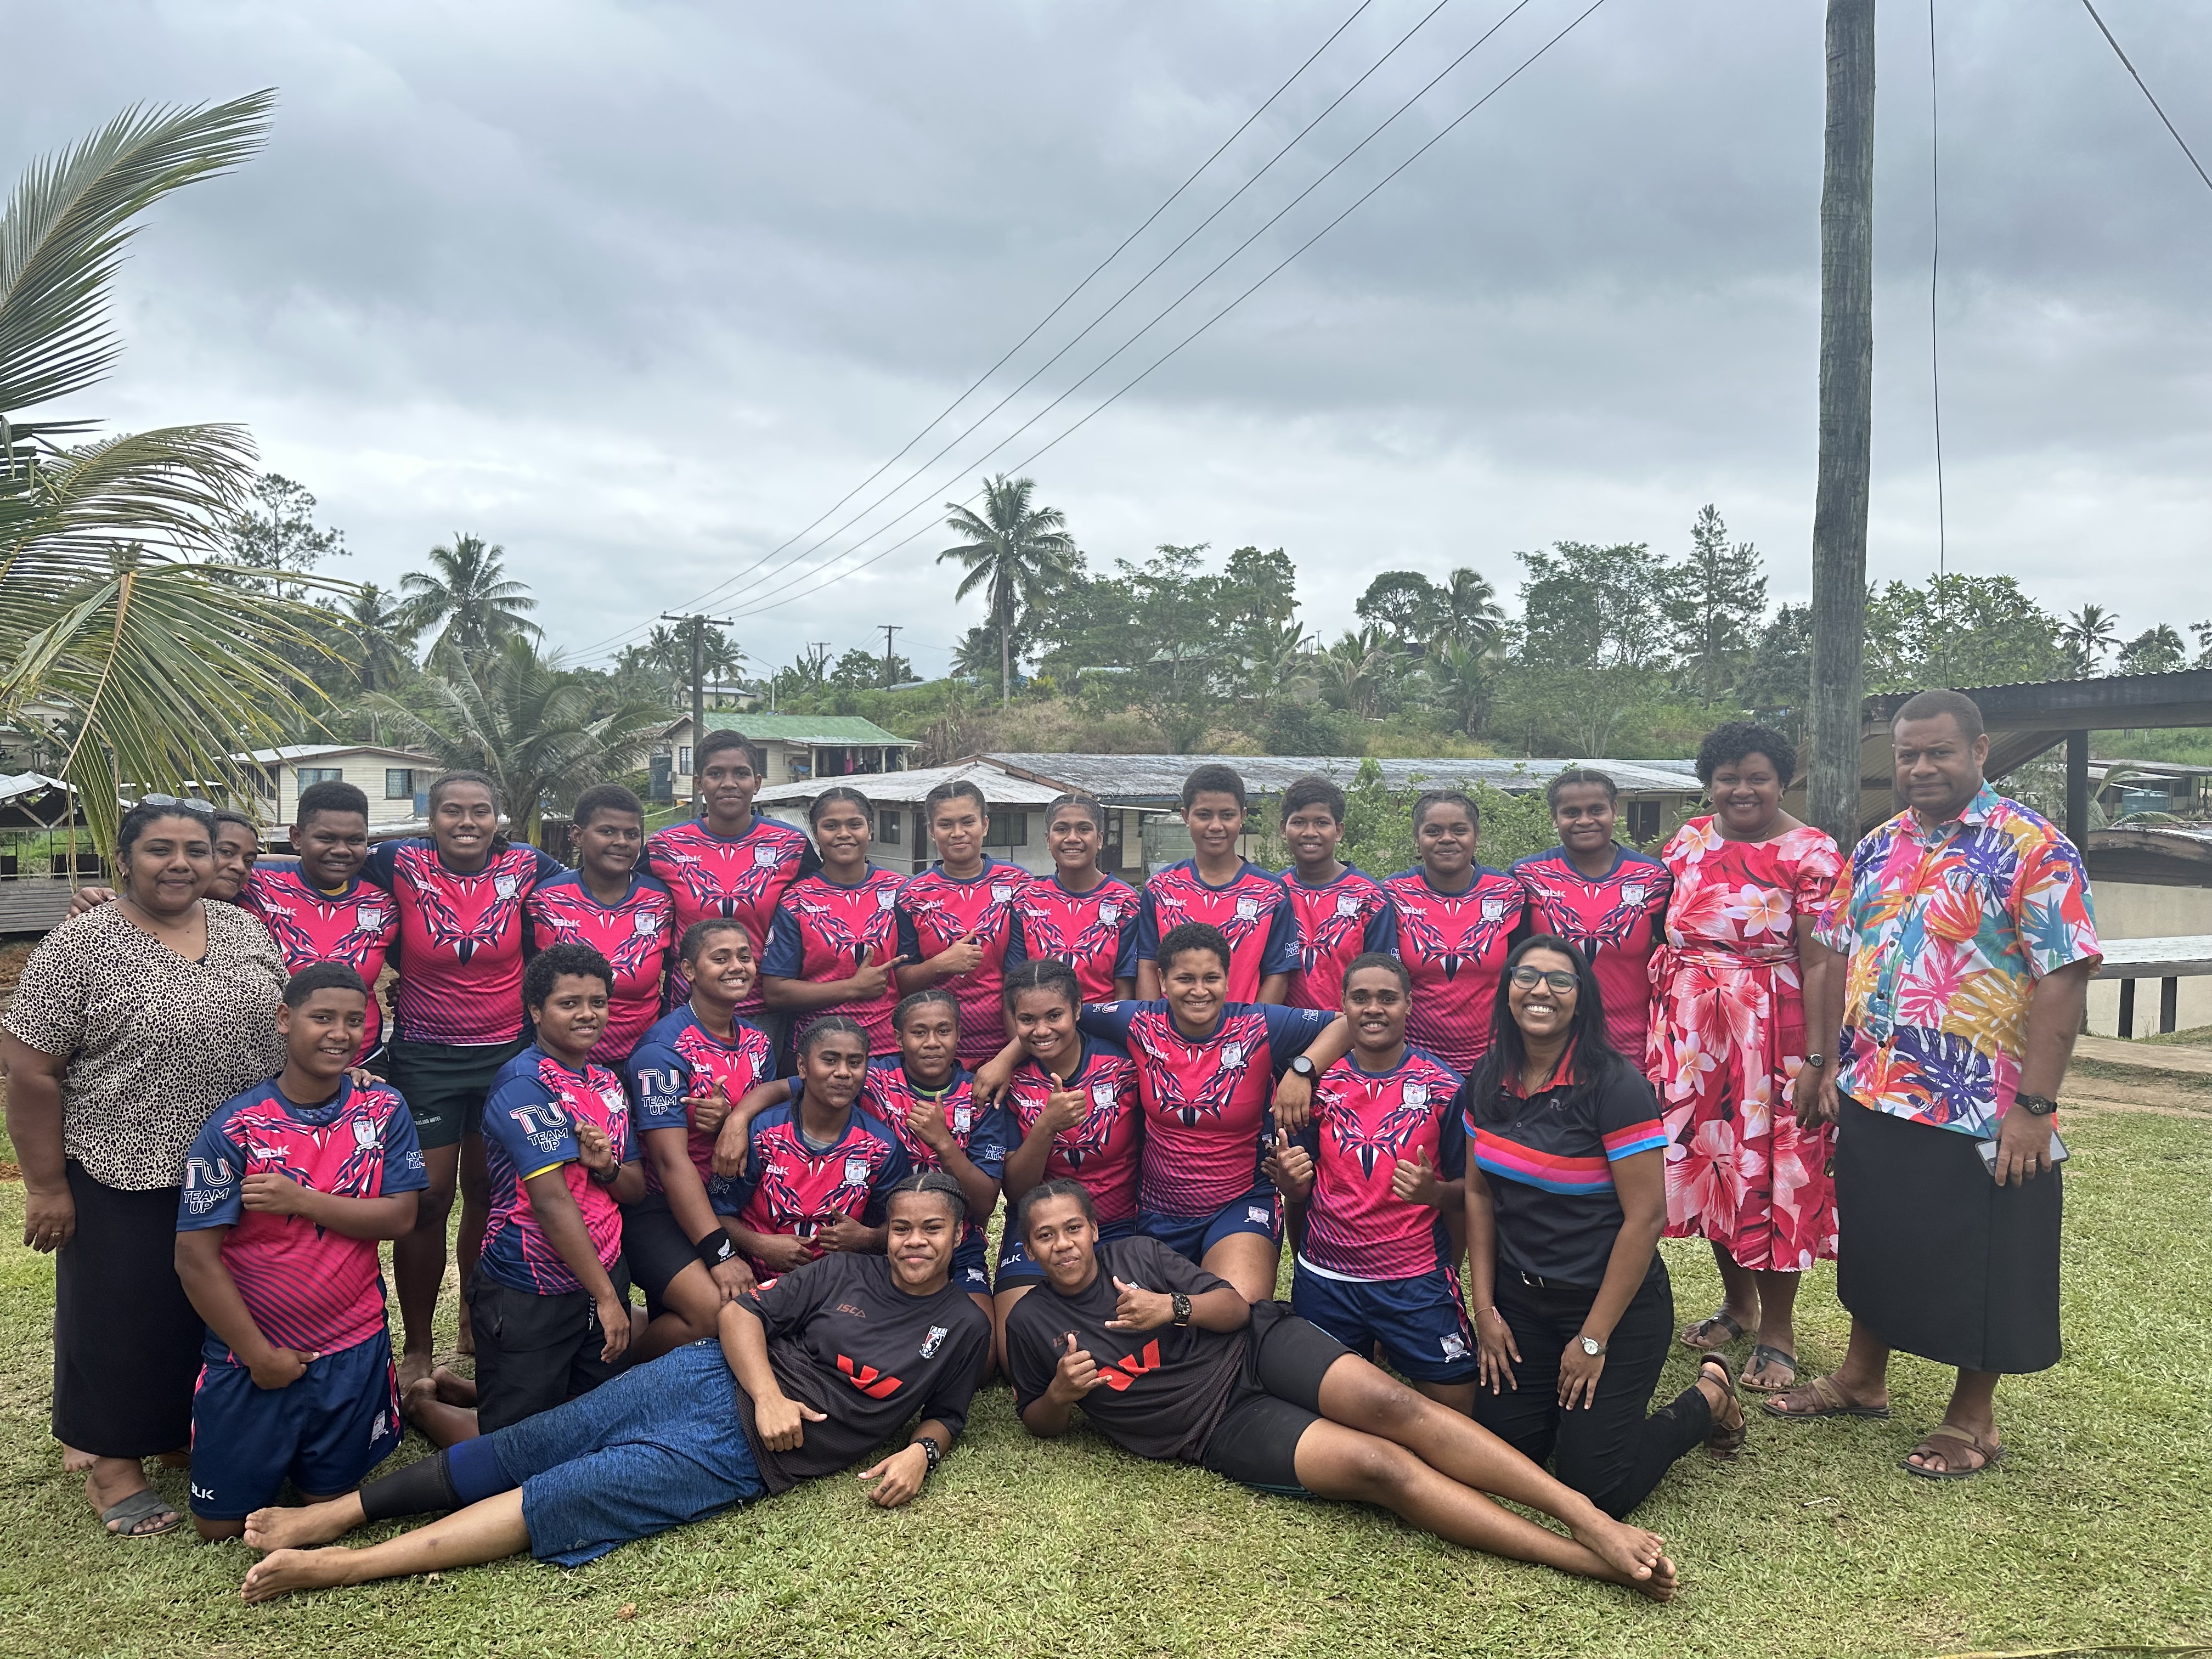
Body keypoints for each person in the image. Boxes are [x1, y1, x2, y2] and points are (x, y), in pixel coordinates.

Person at [235, 1172, 991, 1600]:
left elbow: (951, 1410)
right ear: (885, 1231)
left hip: (750, 1457)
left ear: (961, 1237)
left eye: (932, 1230)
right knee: (535, 1442)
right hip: (709, 1378)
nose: (914, 1242)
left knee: (565, 1492)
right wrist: (766, 1394)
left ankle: (340, 1565)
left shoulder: (963, 1322)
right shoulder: (846, 1270)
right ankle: (334, 1515)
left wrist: (923, 1451)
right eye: (902, 1228)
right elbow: (740, 1321)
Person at [1003, 1182, 1678, 1602]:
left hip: (1259, 1347)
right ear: (1029, 1249)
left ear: (1094, 1229)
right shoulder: (1032, 1321)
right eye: (1045, 1236)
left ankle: (1588, 1518)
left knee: (1399, 1407)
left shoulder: (1139, 1256)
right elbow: (1037, 1420)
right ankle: (1590, 1563)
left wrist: (1172, 1309)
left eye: (1072, 1228)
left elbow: (1236, 1310)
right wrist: (1062, 1394)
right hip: (1214, 1428)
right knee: (1379, 1466)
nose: (1063, 1245)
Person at [1769, 690, 2100, 1479]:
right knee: (1879, 1237)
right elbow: (1839, 951)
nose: (1921, 767)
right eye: (1909, 754)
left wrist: (2035, 1108)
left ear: (1979, 751)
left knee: (1981, 1251)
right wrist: (1824, 1064)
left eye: (1939, 752)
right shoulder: (1880, 846)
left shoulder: (2034, 847)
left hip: (1982, 1102)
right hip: (1877, 1085)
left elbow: (2065, 978)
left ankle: (1971, 1419)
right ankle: (1861, 1376)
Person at [3, 798, 286, 1538]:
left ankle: (176, 1431)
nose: (182, 863)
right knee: (120, 1316)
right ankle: (113, 1469)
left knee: (203, 1310)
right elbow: (29, 1071)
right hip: (119, 1164)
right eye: (161, 849)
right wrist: (45, 1185)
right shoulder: (80, 945)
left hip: (233, 1168)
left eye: (198, 849)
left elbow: (281, 1030)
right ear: (124, 861)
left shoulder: (244, 929)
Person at [1462, 936, 1745, 1518]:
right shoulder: (1488, 1076)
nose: (1541, 990)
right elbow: (1478, 1194)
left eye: (1560, 981)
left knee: (1597, 1489)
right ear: (1507, 989)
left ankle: (1710, 1398)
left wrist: (1592, 1341)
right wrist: (1485, 1310)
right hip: (1521, 1304)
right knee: (1502, 1456)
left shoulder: (1615, 1087)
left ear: (1582, 1000)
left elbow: (1646, 1218)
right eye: (1527, 976)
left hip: (1614, 1308)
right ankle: (1569, 1414)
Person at [174, 963, 427, 1537]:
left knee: (327, 1506)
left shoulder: (384, 1111)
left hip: (352, 1349)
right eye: (322, 1018)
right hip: (255, 1355)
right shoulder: (235, 1128)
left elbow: (401, 1217)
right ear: (285, 1020)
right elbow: (194, 1258)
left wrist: (302, 1200)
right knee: (221, 1526)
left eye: (353, 1020)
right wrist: (258, 1356)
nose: (339, 1033)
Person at [1650, 723, 1843, 1395]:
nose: (1742, 789)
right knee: (1712, 1166)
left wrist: (1820, 1058)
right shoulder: (1688, 840)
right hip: (1693, 1034)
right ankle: (1738, 1305)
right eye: (1727, 777)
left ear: (1782, 780)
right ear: (1709, 783)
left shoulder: (1811, 852)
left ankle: (1778, 1332)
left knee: (1776, 1177)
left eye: (1756, 776)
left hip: (1774, 1039)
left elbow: (1822, 959)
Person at [363, 770, 563, 1386]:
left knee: (487, 1192)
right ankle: (419, 1343)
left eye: (481, 811)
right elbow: (328, 878)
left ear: (498, 819)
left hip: (506, 1055)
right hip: (426, 1055)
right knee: (428, 1199)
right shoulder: (397, 862)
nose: (467, 823)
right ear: (432, 817)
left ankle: (475, 1320)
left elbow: (590, 889)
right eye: (453, 811)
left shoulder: (530, 867)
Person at [1066, 921, 1352, 1302]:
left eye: (1211, 978)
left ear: (1228, 979)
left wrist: (1301, 1070)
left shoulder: (1258, 1024)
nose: (1199, 991)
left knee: (1237, 1308)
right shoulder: (1137, 1021)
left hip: (1240, 1202)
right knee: (1146, 1323)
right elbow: (1061, 1016)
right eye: (1185, 978)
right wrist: (1005, 1061)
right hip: (1158, 1208)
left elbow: (1347, 1023)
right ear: (1163, 981)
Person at [71, 780, 400, 1069]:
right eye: (326, 838)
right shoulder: (255, 883)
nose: (341, 851)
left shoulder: (385, 901)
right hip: (279, 1068)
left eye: (354, 841)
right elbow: (190, 879)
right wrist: (104, 899)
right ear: (297, 838)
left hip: (364, 1062)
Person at [1265, 954, 1474, 1409]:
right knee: (1319, 1413)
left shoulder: (1446, 1089)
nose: (1374, 1008)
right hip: (1326, 1279)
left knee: (1462, 1414)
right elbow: (1300, 1192)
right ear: (1344, 1006)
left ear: (1409, 1005)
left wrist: (1433, 1193)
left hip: (1414, 1281)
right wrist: (1290, 1182)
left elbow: (1470, 1195)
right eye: (1360, 998)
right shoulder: (1315, 1089)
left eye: (1387, 998)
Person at [460, 943, 644, 1435]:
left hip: (602, 1270)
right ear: (536, 1011)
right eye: (569, 1003)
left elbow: (635, 1188)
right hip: (529, 1287)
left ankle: (458, 1391)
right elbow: (551, 1200)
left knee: (590, 1426)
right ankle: (424, 1404)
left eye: (598, 1002)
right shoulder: (524, 1084)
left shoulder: (607, 1083)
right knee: (516, 1442)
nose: (587, 1014)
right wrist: (607, 1300)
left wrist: (605, 1167)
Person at [621, 919, 777, 1362]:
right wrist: (720, 1252)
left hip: (730, 1201)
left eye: (744, 956)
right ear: (689, 970)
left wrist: (735, 1118)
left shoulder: (758, 1041)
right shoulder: (662, 1050)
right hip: (662, 1210)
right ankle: (614, 1368)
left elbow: (776, 1105)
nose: (737, 966)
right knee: (712, 1314)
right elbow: (670, 1165)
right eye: (721, 957)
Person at [992, 958, 1146, 1356]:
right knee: (1016, 1351)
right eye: (1027, 1019)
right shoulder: (1009, 1081)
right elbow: (1017, 1189)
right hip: (1040, 1231)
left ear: (1078, 1010)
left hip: (1115, 1225)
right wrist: (1046, 1126)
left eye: (1055, 1015)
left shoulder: (1124, 1065)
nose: (1041, 1031)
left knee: (1135, 1333)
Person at [708, 1016, 912, 1276]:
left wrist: (868, 1239)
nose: (843, 1072)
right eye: (829, 1060)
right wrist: (760, 1245)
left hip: (839, 1289)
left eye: (855, 1062)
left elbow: (903, 1227)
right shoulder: (762, 1133)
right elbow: (719, 1212)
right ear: (802, 1066)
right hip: (754, 1281)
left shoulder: (882, 1147)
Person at [645, 730, 819, 1018]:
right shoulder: (665, 845)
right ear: (699, 784)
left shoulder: (791, 845)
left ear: (757, 783)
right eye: (715, 774)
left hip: (765, 1012)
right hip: (688, 1009)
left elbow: (819, 907)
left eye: (741, 773)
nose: (729, 784)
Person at [860, 990, 1012, 1310]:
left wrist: (943, 1142)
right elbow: (795, 1087)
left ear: (959, 1034)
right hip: (882, 1238)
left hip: (959, 1243)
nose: (932, 1042)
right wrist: (742, 1119)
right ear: (899, 1039)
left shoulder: (980, 1097)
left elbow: (985, 1203)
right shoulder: (873, 1079)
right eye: (919, 1032)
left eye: (943, 1030)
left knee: (979, 1337)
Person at [1510, 769, 1672, 1063]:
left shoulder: (1653, 876)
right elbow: (1512, 962)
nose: (1585, 820)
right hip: (1548, 1045)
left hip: (1631, 1046)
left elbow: (1673, 956)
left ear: (1614, 810)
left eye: (1596, 810)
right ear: (1554, 817)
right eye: (1572, 812)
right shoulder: (1527, 876)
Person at [524, 783, 676, 1068]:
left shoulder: (661, 900)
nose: (622, 842)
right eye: (607, 831)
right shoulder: (544, 899)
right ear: (578, 836)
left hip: (644, 1061)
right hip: (563, 1064)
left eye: (632, 834)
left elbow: (675, 972)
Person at [1383, 789, 1526, 1075]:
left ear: (1476, 837)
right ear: (1417, 839)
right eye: (1433, 831)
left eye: (1459, 830)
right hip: (1413, 1063)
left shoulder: (1508, 892)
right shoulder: (1392, 894)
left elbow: (1523, 974)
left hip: (1494, 1062)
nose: (1447, 839)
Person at [894, 779, 1032, 1070]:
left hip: (1013, 1042)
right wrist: (940, 964)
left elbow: (1026, 970)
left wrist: (1012, 1054)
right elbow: (902, 983)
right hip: (939, 1049)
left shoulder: (1020, 884)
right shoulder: (911, 895)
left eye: (968, 822)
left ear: (984, 825)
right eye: (946, 824)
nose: (958, 833)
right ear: (932, 831)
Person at [760, 787, 907, 1056]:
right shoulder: (796, 901)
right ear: (816, 834)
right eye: (831, 826)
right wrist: (852, 988)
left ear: (870, 830)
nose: (844, 834)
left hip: (891, 1051)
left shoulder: (902, 891)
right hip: (818, 1051)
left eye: (855, 824)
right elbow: (776, 993)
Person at [1135, 764, 1296, 1005]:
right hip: (1171, 1037)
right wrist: (1154, 1027)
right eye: (1204, 815)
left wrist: (1251, 1030)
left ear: (1242, 817)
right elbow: (1148, 966)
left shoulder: (1271, 892)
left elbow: (1278, 975)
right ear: (1185, 816)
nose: (1216, 826)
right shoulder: (1160, 887)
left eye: (1227, 815)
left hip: (1244, 1036)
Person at [1277, 775, 1397, 1013]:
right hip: (1283, 1032)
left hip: (1349, 1033)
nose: (1310, 832)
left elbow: (1385, 979)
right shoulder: (1273, 893)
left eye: (1322, 823)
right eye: (1299, 822)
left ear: (1339, 831)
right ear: (1284, 829)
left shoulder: (1370, 897)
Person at [1013, 793, 1139, 1001]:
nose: (1072, 838)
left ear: (1100, 839)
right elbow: (1014, 982)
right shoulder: (1026, 901)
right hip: (1041, 1027)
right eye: (1062, 829)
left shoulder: (1126, 901)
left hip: (1103, 1027)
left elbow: (1125, 985)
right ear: (1048, 839)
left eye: (1084, 829)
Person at [209, 809, 263, 903]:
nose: (241, 868)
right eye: (226, 852)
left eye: (248, 861)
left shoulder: (244, 916)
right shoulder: (177, 912)